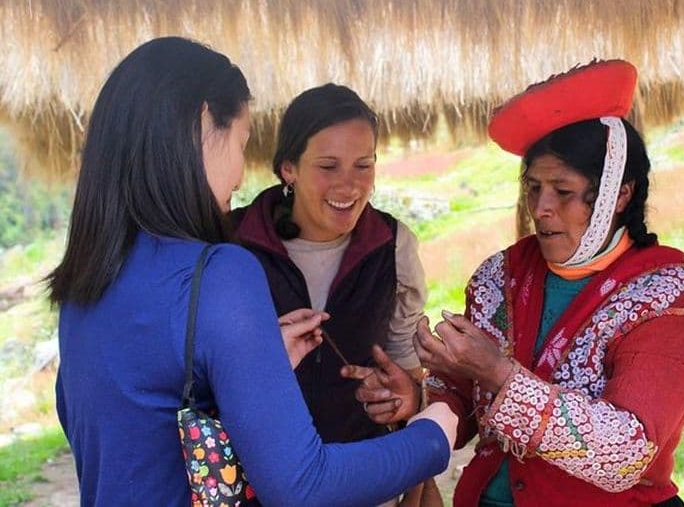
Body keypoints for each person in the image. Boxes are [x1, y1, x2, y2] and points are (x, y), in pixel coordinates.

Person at [48, 36, 457, 507]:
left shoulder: (83, 282)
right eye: (241, 142)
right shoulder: (220, 268)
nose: (241, 175)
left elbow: (137, 425)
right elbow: (303, 486)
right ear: (204, 123)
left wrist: (252, 370)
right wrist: (434, 436)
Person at [354, 60, 684, 506]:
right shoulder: (500, 275)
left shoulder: (664, 297)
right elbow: (466, 396)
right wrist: (420, 398)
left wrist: (499, 373)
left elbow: (626, 451)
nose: (541, 208)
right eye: (533, 188)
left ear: (619, 194)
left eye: (562, 191)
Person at [231, 83, 438, 506]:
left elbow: (407, 363)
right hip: (254, 485)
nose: (349, 186)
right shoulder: (231, 245)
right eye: (328, 166)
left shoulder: (392, 245)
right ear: (289, 167)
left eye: (363, 165)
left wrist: (407, 398)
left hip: (365, 479)